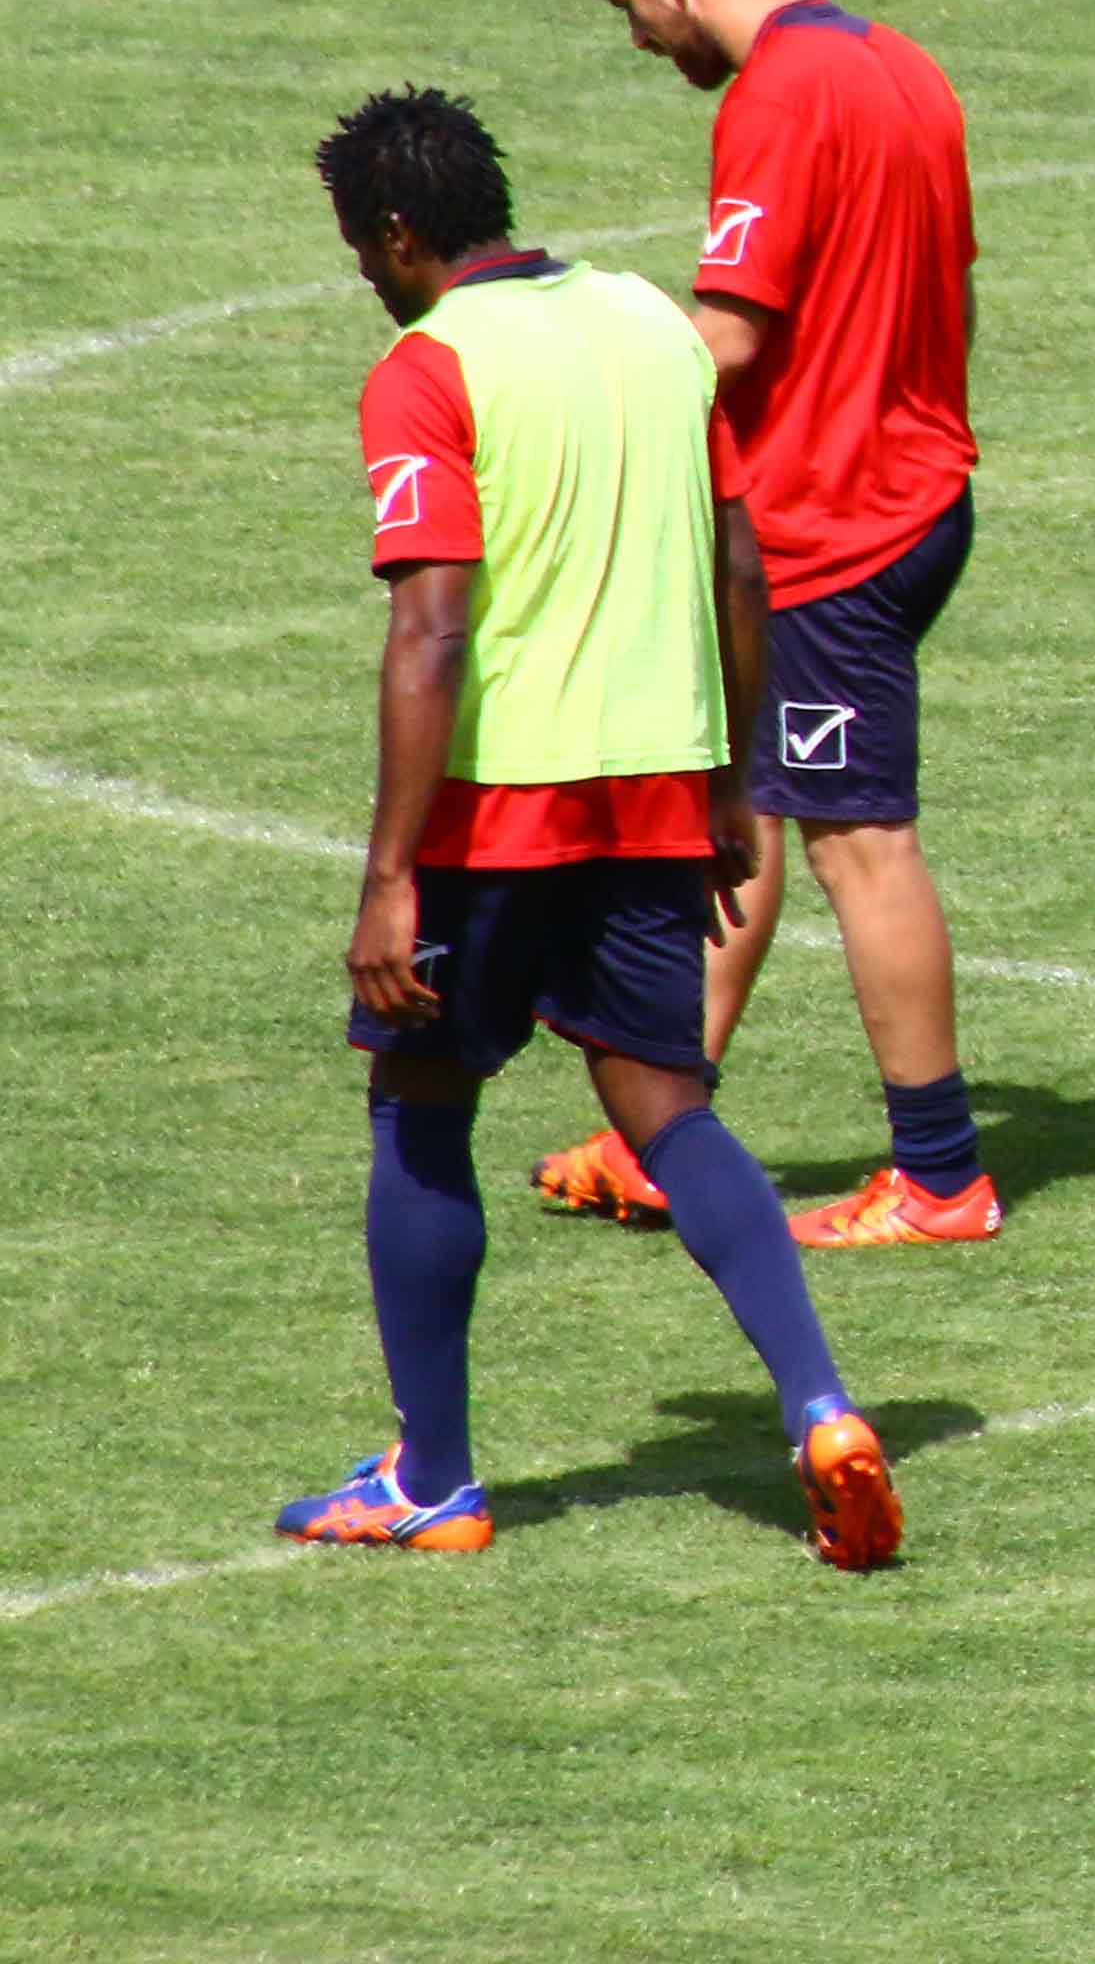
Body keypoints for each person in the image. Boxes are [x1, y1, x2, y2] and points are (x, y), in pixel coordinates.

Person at [287, 85, 901, 1569]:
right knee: (668, 1112)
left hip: (499, 812)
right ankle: (819, 1403)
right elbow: (743, 570)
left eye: (358, 250)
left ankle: (434, 1479)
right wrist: (734, 787)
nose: (363, 279)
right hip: (659, 788)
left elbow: (432, 632)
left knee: (421, 1107)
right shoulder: (649, 325)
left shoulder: (428, 371)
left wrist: (386, 880)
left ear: (394, 232)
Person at [552, 0, 1006, 1243]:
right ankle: (664, 1135)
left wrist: (573, 420)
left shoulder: (781, 99)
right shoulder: (898, 64)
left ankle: (939, 1178)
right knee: (741, 801)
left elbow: (731, 337)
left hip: (837, 529)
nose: (638, 37)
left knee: (857, 841)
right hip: (908, 485)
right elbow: (949, 288)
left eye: (630, 5)